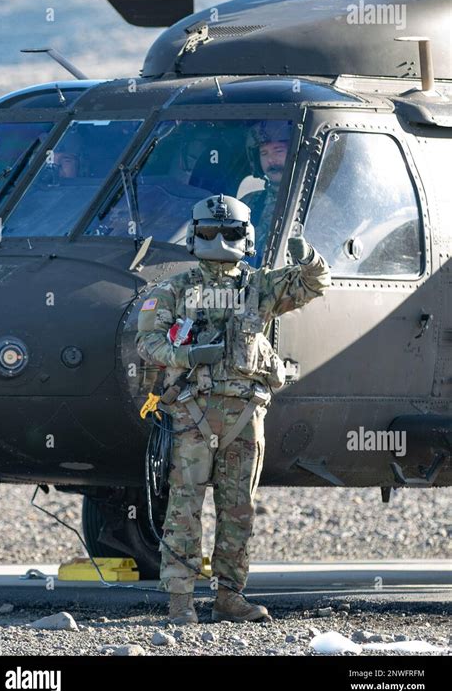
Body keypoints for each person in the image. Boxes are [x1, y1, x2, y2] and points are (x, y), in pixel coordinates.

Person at [135, 194, 330, 625]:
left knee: (238, 506)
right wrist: (187, 358)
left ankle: (230, 596)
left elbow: (316, 283)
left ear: (246, 238)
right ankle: (180, 602)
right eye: (208, 231)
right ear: (194, 236)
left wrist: (308, 257)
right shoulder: (175, 290)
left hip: (245, 414)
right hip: (192, 413)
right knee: (184, 505)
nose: (218, 239)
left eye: (228, 232)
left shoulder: (260, 286)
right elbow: (146, 341)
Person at [241, 120, 291, 262]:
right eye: (264, 153)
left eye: (278, 151)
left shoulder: (318, 208)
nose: (271, 159)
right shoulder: (248, 203)